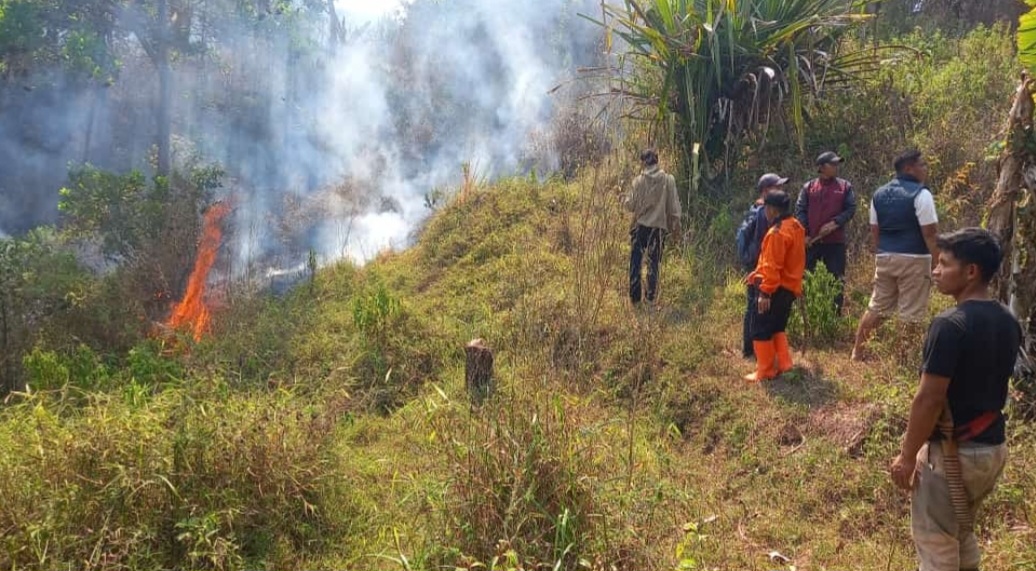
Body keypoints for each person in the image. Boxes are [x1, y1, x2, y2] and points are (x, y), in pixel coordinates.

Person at [889, 228, 1021, 571]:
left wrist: (906, 457)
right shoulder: (1008, 320)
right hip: (991, 450)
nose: (935, 271)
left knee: (936, 546)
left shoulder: (950, 324)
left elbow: (929, 399)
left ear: (971, 271)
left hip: (953, 456)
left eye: (944, 264)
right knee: (961, 532)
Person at [851, 149, 939, 361]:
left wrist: (883, 253)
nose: (925, 169)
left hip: (885, 257)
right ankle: (903, 360)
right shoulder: (921, 194)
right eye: (922, 164)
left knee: (877, 307)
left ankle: (858, 352)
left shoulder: (879, 194)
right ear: (909, 168)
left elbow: (875, 229)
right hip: (915, 259)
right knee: (912, 312)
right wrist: (939, 262)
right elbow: (930, 233)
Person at [744, 190, 805, 382]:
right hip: (789, 287)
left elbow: (772, 266)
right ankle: (785, 364)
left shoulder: (777, 233)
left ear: (772, 210)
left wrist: (765, 293)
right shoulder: (795, 226)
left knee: (761, 328)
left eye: (765, 208)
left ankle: (766, 370)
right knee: (778, 326)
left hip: (775, 289)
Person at [795, 151, 857, 313]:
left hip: (835, 243)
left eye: (837, 163)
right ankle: (809, 314)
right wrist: (806, 234)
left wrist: (835, 223)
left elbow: (850, 209)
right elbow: (800, 210)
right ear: (822, 167)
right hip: (812, 243)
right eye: (833, 164)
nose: (836, 167)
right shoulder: (808, 187)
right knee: (807, 278)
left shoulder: (845, 187)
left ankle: (834, 317)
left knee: (836, 280)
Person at [737, 173, 788, 358]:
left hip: (760, 264)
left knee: (757, 305)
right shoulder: (762, 211)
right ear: (766, 191)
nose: (782, 189)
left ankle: (753, 349)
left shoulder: (762, 209)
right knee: (754, 305)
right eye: (778, 186)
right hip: (758, 265)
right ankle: (750, 350)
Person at [624, 148, 681, 306]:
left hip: (640, 227)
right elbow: (674, 210)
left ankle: (635, 300)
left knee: (635, 263)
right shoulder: (668, 180)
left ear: (643, 163)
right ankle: (650, 299)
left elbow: (629, 205)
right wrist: (676, 229)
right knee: (653, 264)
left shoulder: (638, 181)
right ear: (657, 161)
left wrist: (624, 197)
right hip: (658, 229)